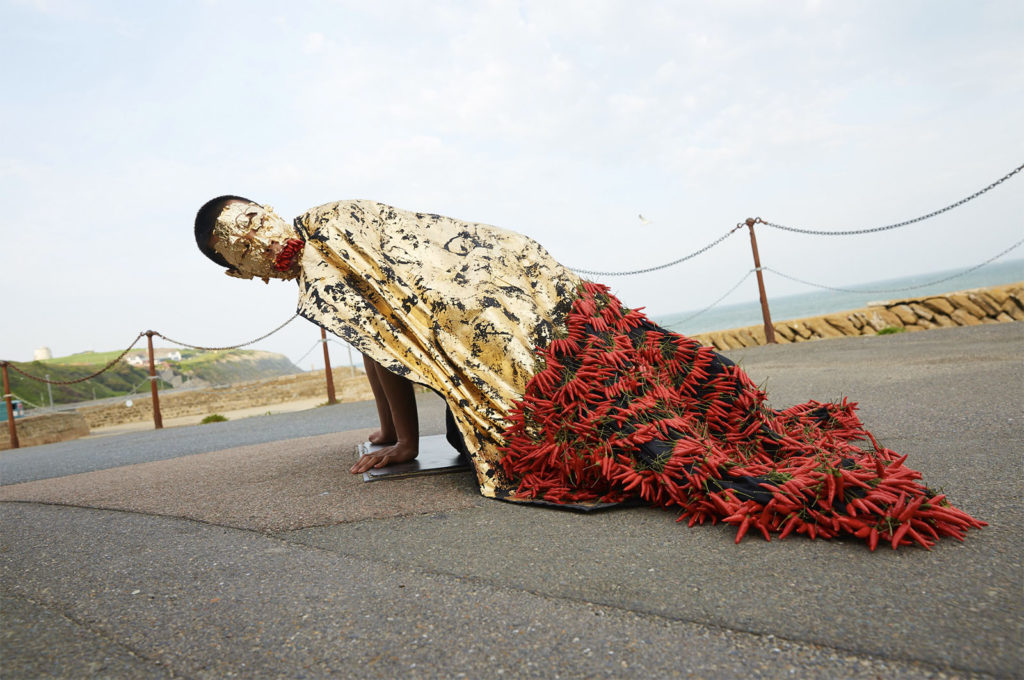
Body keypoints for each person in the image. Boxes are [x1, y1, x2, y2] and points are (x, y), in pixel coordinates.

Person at [194, 196, 984, 549]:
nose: (258, 248)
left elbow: (385, 345)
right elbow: (395, 328)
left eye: (244, 244)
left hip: (516, 352)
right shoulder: (334, 217)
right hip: (534, 295)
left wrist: (403, 443)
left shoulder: (318, 268)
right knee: (652, 385)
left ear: (240, 268)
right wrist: (394, 430)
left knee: (618, 433)